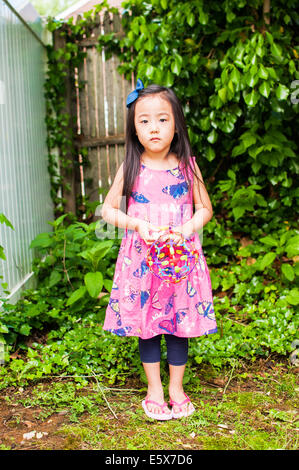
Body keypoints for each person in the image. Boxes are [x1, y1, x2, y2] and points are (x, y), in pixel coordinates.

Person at [101, 79, 217, 420]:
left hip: (180, 262)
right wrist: (137, 224)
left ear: (177, 125)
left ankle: (176, 388)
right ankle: (154, 388)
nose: (154, 127)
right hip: (142, 262)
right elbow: (107, 210)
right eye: (144, 120)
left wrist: (186, 229)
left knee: (178, 323)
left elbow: (205, 209)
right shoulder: (131, 167)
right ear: (134, 129)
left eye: (163, 119)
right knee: (148, 324)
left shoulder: (187, 166)